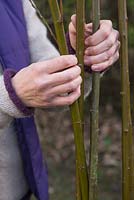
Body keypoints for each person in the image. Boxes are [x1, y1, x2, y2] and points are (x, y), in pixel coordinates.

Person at [0, 0, 120, 199]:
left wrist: (82, 57)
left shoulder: (14, 3)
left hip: (20, 185)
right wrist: (9, 95)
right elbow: (16, 92)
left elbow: (49, 80)